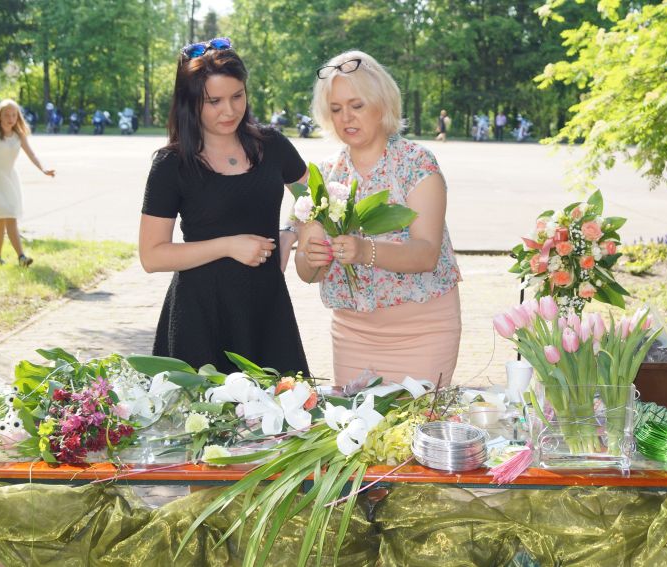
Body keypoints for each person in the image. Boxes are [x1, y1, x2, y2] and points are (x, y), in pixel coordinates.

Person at [138, 37, 309, 375]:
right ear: (190, 101)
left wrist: (290, 233)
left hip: (266, 309)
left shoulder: (272, 145)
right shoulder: (172, 164)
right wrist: (228, 246)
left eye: (237, 96)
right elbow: (152, 255)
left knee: (281, 422)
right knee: (205, 422)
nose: (229, 110)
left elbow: (315, 199)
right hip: (201, 315)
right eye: (213, 101)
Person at [296, 50, 462, 387]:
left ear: (382, 105)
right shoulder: (325, 175)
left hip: (423, 332)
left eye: (356, 106)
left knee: (411, 434)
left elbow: (426, 253)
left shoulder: (416, 163)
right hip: (352, 335)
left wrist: (362, 250)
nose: (346, 118)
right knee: (354, 435)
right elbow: (307, 272)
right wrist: (310, 257)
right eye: (336, 109)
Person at [0, 99, 55, 266]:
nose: (10, 118)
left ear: (18, 117)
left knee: (5, 217)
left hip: (10, 178)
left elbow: (32, 154)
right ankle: (21, 257)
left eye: (14, 115)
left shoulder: (19, 134)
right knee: (5, 217)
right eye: (6, 115)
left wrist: (43, 169)